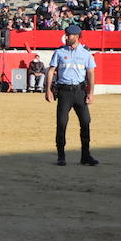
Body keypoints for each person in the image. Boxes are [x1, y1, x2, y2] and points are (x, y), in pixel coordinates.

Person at [45, 24, 99, 166]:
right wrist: (48, 90)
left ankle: (85, 155)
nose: (66, 37)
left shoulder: (86, 54)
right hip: (64, 92)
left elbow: (91, 74)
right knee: (62, 123)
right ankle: (61, 155)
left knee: (86, 122)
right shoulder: (59, 52)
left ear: (76, 37)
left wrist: (91, 93)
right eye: (66, 34)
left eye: (69, 35)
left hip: (80, 92)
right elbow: (51, 71)